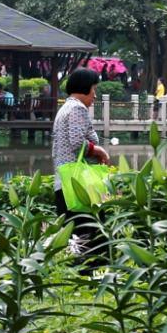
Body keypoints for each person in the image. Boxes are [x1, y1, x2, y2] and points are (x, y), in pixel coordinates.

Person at [53, 66, 114, 264]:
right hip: (80, 185)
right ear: (85, 88)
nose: (95, 96)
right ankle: (95, 273)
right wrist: (99, 151)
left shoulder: (65, 108)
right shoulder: (78, 108)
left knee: (75, 234)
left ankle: (79, 274)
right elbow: (77, 142)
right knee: (94, 231)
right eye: (94, 90)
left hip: (64, 183)